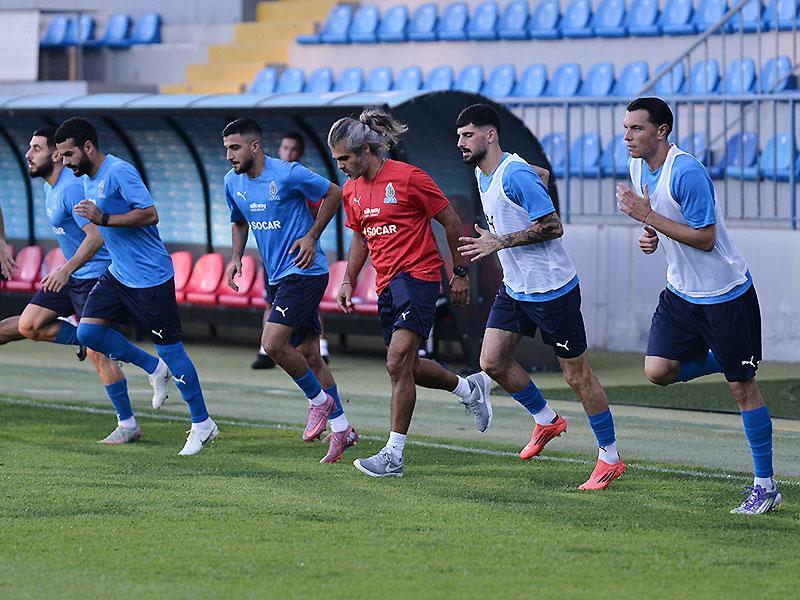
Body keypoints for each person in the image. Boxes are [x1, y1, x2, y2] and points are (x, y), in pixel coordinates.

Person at [616, 97, 780, 514]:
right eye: (625, 128)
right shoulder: (638, 167)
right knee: (658, 371)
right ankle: (728, 359)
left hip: (725, 294)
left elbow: (705, 239)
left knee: (742, 389)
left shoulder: (686, 171)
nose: (627, 137)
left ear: (662, 131)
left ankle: (765, 486)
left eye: (636, 128)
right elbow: (661, 220)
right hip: (681, 292)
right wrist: (650, 235)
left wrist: (648, 219)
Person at [455, 103, 626, 490]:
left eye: (468, 135)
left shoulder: (513, 173)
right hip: (516, 288)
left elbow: (552, 226)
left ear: (490, 135)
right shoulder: (487, 172)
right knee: (491, 361)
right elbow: (542, 175)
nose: (460, 143)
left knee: (577, 376)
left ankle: (610, 457)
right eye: (459, 136)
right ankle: (547, 420)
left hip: (552, 291)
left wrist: (500, 241)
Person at [329, 108, 492, 478]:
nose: (340, 167)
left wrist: (460, 273)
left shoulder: (409, 178)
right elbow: (360, 238)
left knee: (395, 361)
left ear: (366, 150)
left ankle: (393, 456)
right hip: (387, 285)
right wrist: (348, 280)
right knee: (409, 367)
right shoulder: (352, 190)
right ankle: (469, 389)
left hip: (419, 278)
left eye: (344, 159)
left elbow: (451, 221)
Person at [54, 116, 218, 456]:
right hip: (118, 274)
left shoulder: (119, 171)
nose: (65, 162)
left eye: (69, 154)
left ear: (88, 147)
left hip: (150, 278)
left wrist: (104, 218)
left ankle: (202, 424)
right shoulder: (87, 179)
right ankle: (153, 367)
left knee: (172, 350)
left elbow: (150, 214)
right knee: (88, 333)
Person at [223, 118, 357, 463]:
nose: (229, 155)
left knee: (272, 344)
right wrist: (236, 257)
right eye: (226, 149)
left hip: (305, 272)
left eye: (235, 147)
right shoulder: (231, 182)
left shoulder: (287, 173)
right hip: (277, 276)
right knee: (310, 355)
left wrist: (312, 236)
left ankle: (319, 402)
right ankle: (342, 429)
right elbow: (238, 220)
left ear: (255, 146)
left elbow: (334, 192)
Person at [0, 128, 138, 442]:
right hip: (73, 275)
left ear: (56, 154)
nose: (28, 154)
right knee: (29, 325)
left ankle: (128, 425)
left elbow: (97, 236)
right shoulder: (50, 188)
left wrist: (65, 269)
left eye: (36, 148)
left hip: (96, 275)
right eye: (29, 147)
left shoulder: (72, 188)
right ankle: (82, 336)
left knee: (98, 354)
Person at [252, 131, 332, 369]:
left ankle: (322, 346)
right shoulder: (267, 177)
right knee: (270, 301)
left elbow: (324, 203)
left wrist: (309, 234)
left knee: (310, 305)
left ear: (300, 152)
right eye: (285, 148)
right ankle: (265, 351)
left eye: (294, 149)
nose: (289, 152)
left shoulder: (299, 177)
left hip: (299, 258)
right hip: (273, 258)